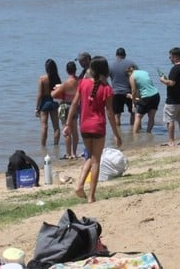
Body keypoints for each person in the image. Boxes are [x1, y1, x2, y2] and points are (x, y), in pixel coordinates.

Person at [64, 56, 122, 203]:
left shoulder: (82, 83)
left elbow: (74, 104)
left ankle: (79, 185)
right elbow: (110, 113)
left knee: (91, 157)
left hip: (84, 126)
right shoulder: (106, 89)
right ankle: (91, 196)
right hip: (98, 127)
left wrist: (68, 124)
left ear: (92, 69)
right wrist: (116, 134)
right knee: (96, 161)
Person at [159, 47, 180, 146]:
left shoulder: (175, 69)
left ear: (175, 57)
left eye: (170, 57)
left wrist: (163, 80)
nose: (169, 58)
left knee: (170, 121)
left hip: (172, 100)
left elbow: (172, 83)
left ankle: (171, 141)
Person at [52, 61, 79, 159]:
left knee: (66, 131)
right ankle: (74, 153)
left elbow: (53, 95)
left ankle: (68, 154)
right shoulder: (79, 81)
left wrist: (56, 88)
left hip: (65, 106)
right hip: (75, 105)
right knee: (75, 131)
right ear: (75, 70)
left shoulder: (66, 83)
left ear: (67, 71)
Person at [35, 59, 62, 146]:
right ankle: (56, 146)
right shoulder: (57, 78)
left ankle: (43, 147)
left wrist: (37, 108)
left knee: (44, 126)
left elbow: (40, 95)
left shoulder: (42, 79)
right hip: (54, 101)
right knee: (56, 127)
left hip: (44, 102)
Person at [127, 65, 160, 134]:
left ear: (129, 72)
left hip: (147, 97)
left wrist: (132, 99)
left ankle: (135, 135)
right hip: (156, 95)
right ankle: (149, 133)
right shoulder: (144, 72)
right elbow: (146, 85)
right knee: (151, 116)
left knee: (138, 116)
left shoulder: (132, 76)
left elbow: (133, 91)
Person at [108, 47, 137, 127]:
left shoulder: (110, 65)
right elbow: (138, 76)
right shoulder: (131, 64)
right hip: (129, 92)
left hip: (116, 93)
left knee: (117, 115)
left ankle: (118, 132)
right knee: (133, 113)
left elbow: (104, 78)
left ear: (116, 55)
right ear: (125, 55)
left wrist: (110, 88)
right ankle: (132, 131)